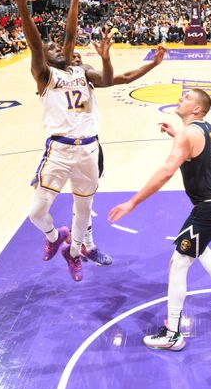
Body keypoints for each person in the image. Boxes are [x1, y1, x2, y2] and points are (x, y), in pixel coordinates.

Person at [108, 89, 211, 351]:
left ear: (197, 110)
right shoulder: (203, 128)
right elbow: (195, 150)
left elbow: (168, 170)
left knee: (178, 262)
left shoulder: (188, 133)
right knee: (197, 248)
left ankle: (172, 333)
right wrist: (176, 134)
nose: (181, 98)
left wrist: (132, 201)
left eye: (187, 97)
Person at [12, 0, 114, 282]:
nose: (58, 47)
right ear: (43, 58)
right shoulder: (45, 75)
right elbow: (34, 41)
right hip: (58, 150)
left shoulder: (75, 72)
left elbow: (70, 35)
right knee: (36, 212)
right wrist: (21, 6)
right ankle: (56, 236)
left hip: (87, 150)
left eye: (59, 48)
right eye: (51, 48)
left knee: (84, 213)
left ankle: (74, 254)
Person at [65, 45, 168, 265]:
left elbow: (125, 77)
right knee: (41, 207)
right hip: (59, 147)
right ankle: (59, 239)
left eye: (79, 57)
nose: (75, 58)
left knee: (84, 200)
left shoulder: (85, 73)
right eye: (70, 56)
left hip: (87, 145)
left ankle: (85, 245)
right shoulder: (49, 77)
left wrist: (153, 64)